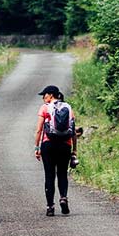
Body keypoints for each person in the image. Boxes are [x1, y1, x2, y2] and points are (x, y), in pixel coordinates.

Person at [34, 85, 77, 216]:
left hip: (49, 145)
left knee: (49, 175)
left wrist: (37, 147)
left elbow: (39, 130)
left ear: (51, 95)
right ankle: (63, 198)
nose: (43, 97)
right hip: (65, 145)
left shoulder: (45, 108)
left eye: (45, 95)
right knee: (63, 173)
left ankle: (50, 207)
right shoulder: (68, 108)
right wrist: (74, 150)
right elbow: (73, 131)